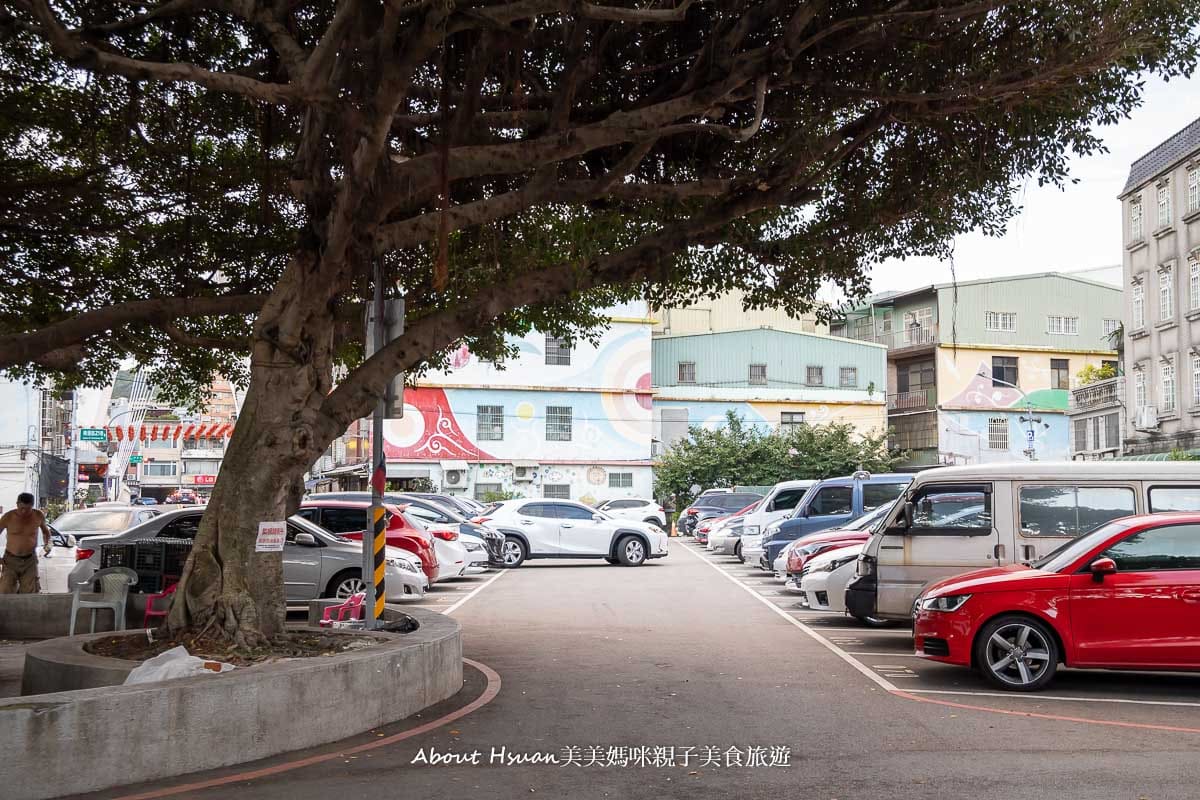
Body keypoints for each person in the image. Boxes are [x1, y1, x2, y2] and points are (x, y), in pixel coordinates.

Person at [0, 492, 53, 594]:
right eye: (21, 508)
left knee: (31, 592)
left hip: (30, 560)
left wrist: (48, 544)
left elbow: (46, 532)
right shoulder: (8, 517)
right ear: (17, 504)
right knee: (5, 590)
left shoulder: (38, 515)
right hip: (10, 560)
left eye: (27, 509)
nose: (24, 512)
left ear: (32, 506)